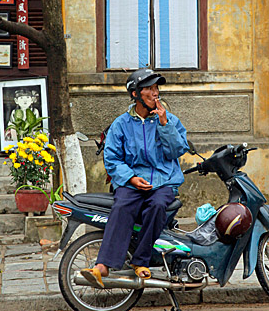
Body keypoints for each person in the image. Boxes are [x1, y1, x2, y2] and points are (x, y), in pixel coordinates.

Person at [81, 68, 189, 288]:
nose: (155, 93)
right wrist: (130, 178)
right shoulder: (121, 124)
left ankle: (140, 261)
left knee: (158, 206)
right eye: (149, 88)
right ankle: (103, 265)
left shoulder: (169, 120)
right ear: (135, 94)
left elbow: (177, 151)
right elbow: (112, 159)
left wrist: (164, 125)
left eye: (156, 88)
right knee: (122, 206)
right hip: (131, 181)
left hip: (163, 181)